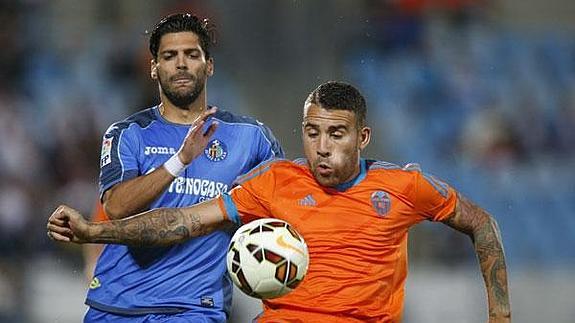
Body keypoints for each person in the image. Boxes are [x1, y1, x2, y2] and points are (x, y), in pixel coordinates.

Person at [48, 81, 511, 322]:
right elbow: (184, 221)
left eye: (336, 134)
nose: (322, 147)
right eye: (312, 133)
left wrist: (500, 315)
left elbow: (481, 222)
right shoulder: (274, 182)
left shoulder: (404, 188)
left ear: (362, 137)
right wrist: (96, 231)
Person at [75, 13, 284, 322]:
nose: (181, 64)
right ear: (154, 69)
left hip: (194, 308)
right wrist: (179, 161)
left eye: (192, 54)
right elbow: (117, 207)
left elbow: (285, 204)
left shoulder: (251, 138)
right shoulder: (127, 134)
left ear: (209, 65)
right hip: (116, 306)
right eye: (169, 56)